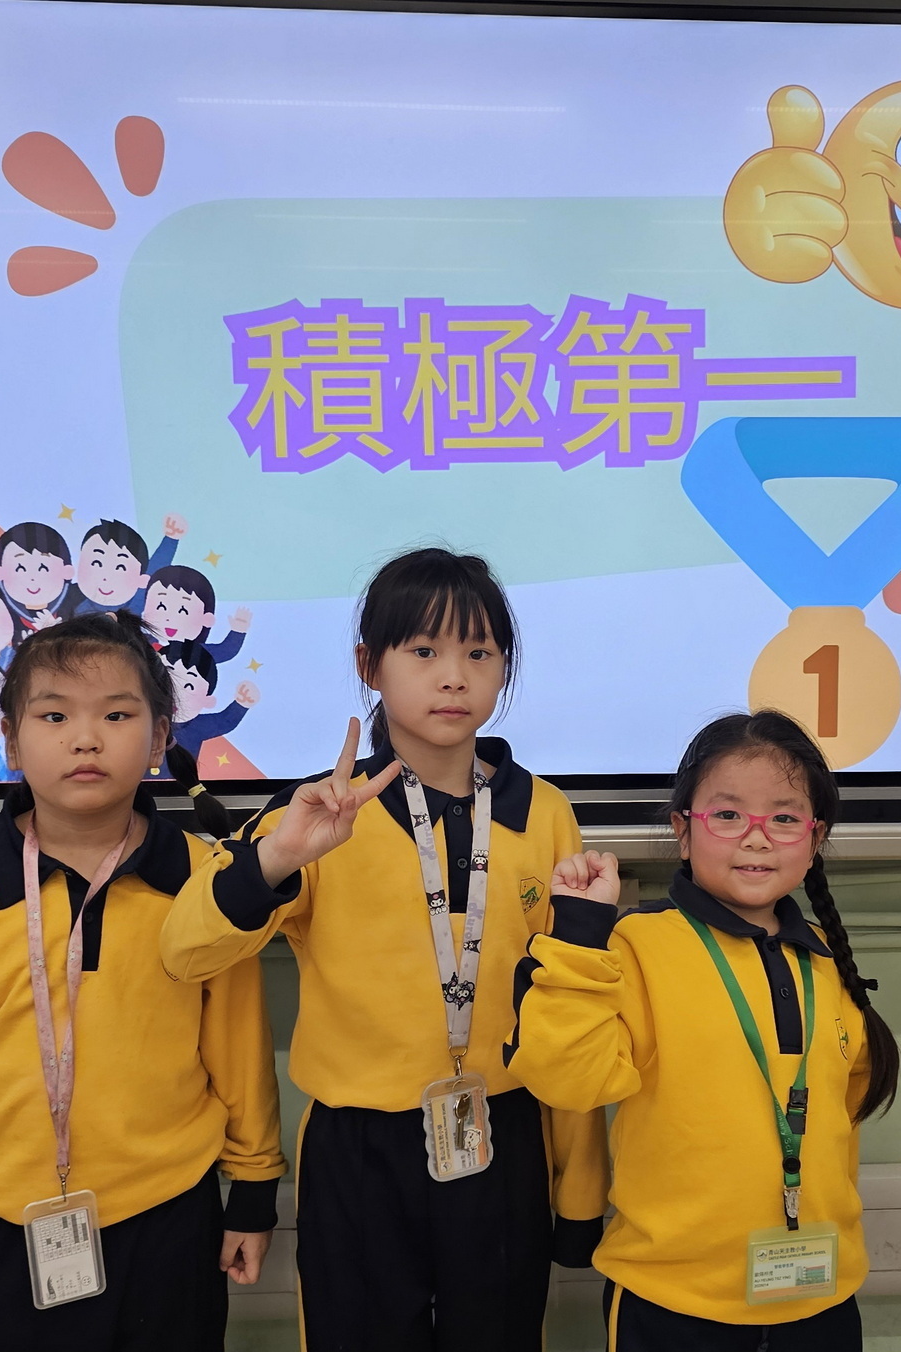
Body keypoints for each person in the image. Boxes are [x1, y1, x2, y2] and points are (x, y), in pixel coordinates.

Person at [160, 546, 608, 1351]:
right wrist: (277, 858)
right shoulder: (320, 815)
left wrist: (579, 1195)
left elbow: (567, 1007)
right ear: (371, 665)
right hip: (358, 1147)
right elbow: (186, 953)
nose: (454, 677)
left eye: (480, 654)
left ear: (505, 669)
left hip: (504, 1131)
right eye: (424, 651)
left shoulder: (542, 814)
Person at [0, 611, 278, 1350]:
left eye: (117, 715)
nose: (86, 739)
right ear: (11, 741)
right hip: (4, 1228)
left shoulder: (203, 880)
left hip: (171, 1217)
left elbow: (239, 1044)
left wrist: (255, 1185)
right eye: (54, 716)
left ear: (160, 738)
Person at [505, 710, 899, 1351]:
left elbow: (840, 1111)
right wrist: (578, 934)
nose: (756, 839)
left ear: (815, 837)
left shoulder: (825, 957)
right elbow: (569, 1081)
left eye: (784, 818)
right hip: (672, 1302)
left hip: (817, 1296)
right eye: (728, 814)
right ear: (683, 832)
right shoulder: (637, 944)